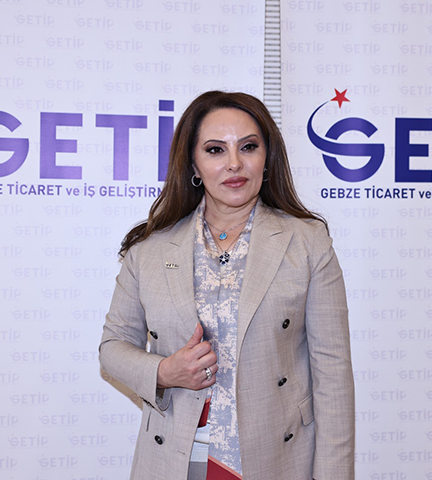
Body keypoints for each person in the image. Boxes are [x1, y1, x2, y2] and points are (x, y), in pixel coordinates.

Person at [99, 90, 354, 480]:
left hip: (277, 459)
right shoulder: (149, 249)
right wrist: (164, 371)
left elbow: (333, 375)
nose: (234, 163)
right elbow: (112, 348)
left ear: (267, 158)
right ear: (193, 164)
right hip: (175, 459)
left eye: (248, 147)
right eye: (215, 150)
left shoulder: (307, 243)